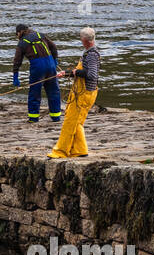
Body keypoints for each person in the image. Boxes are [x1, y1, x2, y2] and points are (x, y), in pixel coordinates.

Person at [49, 27, 101, 159]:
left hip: (85, 94)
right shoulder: (88, 53)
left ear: (84, 40)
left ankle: (60, 151)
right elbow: (80, 72)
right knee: (76, 122)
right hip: (81, 92)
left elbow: (92, 75)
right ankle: (80, 150)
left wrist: (75, 72)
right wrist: (66, 73)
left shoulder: (92, 55)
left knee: (70, 122)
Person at [11, 24, 62, 123]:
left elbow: (17, 61)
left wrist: (15, 75)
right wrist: (55, 59)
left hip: (38, 67)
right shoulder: (41, 35)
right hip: (50, 65)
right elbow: (54, 47)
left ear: (19, 32)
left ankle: (33, 118)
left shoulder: (22, 43)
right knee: (54, 91)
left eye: (16, 34)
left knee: (34, 93)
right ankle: (56, 117)